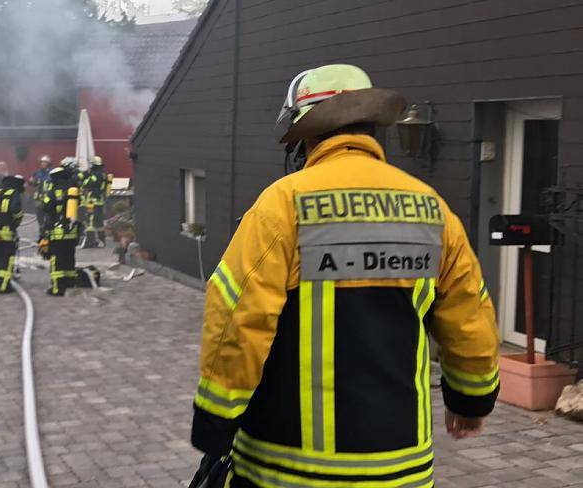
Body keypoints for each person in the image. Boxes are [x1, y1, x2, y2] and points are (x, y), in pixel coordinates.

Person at [190, 64, 499, 488]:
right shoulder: (432, 209)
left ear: (306, 136)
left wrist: (215, 424)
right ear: (372, 126)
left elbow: (238, 318)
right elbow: (470, 317)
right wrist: (470, 402)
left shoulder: (282, 204)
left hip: (287, 468)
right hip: (400, 468)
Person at [40, 165, 80, 296]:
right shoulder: (72, 191)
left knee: (57, 260)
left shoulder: (52, 192)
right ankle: (70, 283)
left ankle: (57, 288)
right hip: (72, 233)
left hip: (57, 234)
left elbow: (45, 208)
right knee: (69, 258)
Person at [79, 155, 109, 248]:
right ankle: (101, 240)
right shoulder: (103, 174)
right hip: (99, 201)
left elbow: (86, 183)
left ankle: (90, 242)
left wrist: (85, 177)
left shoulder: (96, 175)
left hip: (93, 201)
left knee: (90, 222)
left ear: (94, 165)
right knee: (99, 222)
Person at [30, 155, 53, 227]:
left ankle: (48, 227)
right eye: (41, 162)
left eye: (44, 162)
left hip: (48, 198)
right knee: (39, 215)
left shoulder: (51, 173)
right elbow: (33, 184)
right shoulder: (37, 173)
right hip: (38, 199)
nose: (42, 164)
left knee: (48, 214)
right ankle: (41, 227)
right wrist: (30, 181)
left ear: (48, 163)